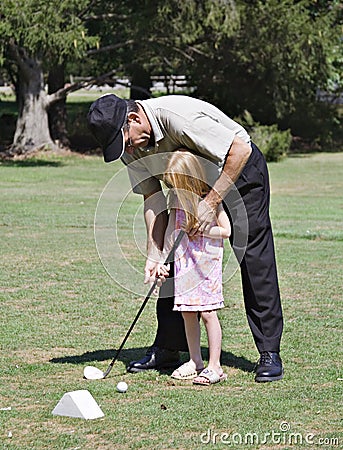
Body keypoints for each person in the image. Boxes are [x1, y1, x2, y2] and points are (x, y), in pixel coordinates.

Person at [87, 93, 284, 383]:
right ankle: (168, 347)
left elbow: (239, 149)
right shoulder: (131, 149)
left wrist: (211, 203)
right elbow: (153, 199)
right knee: (172, 259)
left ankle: (269, 352)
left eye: (126, 141)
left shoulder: (177, 117)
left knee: (253, 255)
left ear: (133, 119)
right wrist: (154, 255)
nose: (128, 149)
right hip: (187, 186)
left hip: (237, 173)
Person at [162, 150, 231, 385]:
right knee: (187, 312)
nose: (173, 187)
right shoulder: (176, 202)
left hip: (206, 266)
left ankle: (215, 366)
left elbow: (226, 231)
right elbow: (171, 234)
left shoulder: (209, 200)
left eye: (176, 183)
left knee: (208, 313)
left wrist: (204, 230)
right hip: (184, 265)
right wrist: (163, 261)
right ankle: (195, 361)